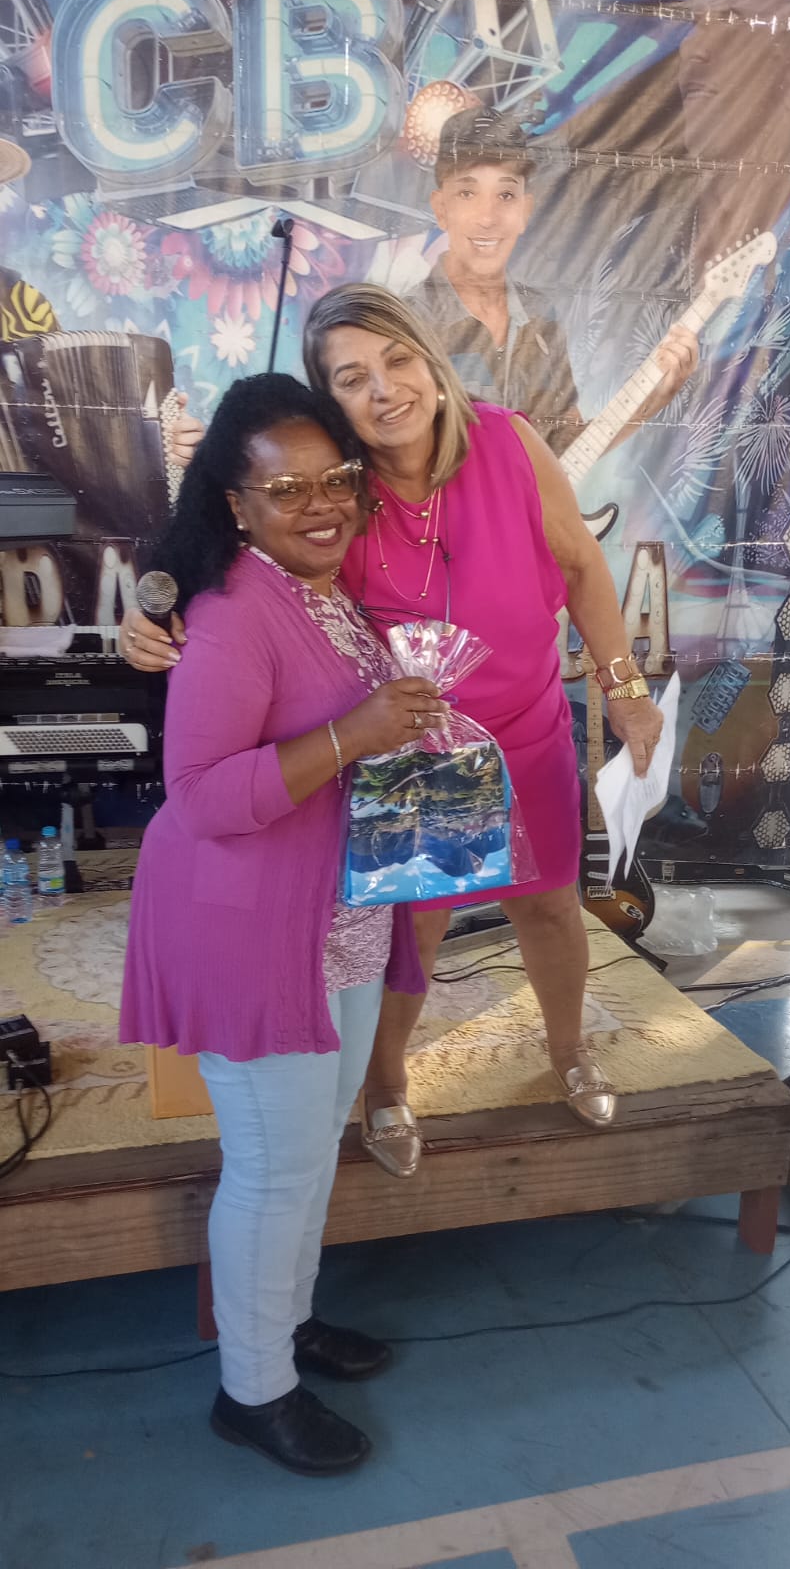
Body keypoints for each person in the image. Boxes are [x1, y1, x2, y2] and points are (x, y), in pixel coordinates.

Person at [121, 283, 664, 1180]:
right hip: (410, 743)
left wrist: (627, 688)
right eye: (351, 378)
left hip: (525, 730)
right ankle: (385, 1085)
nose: (384, 389)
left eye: (398, 359)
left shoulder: (508, 441)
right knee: (415, 925)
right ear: (329, 402)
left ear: (431, 360)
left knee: (548, 904)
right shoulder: (336, 490)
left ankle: (569, 1049)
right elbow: (222, 543)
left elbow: (579, 565)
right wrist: (154, 607)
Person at [119, 372, 448, 1474]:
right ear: (236, 503)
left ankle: (288, 1322)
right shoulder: (228, 613)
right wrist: (356, 734)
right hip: (248, 929)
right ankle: (252, 1391)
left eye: (335, 480)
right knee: (271, 1164)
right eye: (287, 488)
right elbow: (202, 796)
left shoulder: (323, 592)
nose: (321, 505)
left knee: (308, 1152)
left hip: (334, 924)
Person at [406, 105, 698, 463]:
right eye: (467, 193)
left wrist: (654, 399)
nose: (488, 218)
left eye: (506, 195)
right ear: (441, 209)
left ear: (524, 212)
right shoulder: (405, 325)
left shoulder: (541, 313)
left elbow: (566, 449)